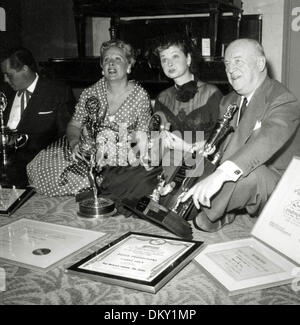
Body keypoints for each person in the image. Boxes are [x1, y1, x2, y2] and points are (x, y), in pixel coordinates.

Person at [181, 38, 300, 232]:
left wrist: (220, 174)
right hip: (246, 178)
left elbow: (266, 139)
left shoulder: (283, 99)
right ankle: (208, 208)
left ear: (260, 63)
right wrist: (206, 146)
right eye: (227, 64)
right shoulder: (228, 101)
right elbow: (231, 142)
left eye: (238, 61)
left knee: (249, 173)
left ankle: (205, 215)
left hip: (283, 188)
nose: (230, 69)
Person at [27, 39, 152, 196]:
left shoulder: (140, 95)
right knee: (52, 171)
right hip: (90, 153)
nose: (111, 63)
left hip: (124, 156)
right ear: (102, 67)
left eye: (117, 59)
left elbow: (142, 134)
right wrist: (74, 143)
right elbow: (74, 126)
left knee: (130, 181)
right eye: (106, 59)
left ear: (128, 66)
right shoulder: (90, 93)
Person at [0, 47, 75, 187]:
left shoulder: (56, 92)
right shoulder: (5, 94)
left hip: (42, 170)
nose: (5, 80)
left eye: (9, 75)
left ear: (25, 69)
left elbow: (68, 135)